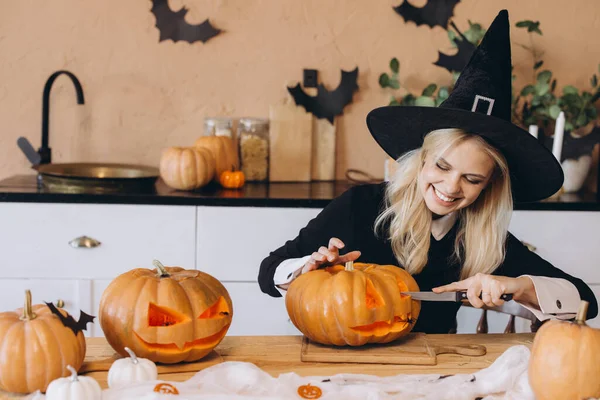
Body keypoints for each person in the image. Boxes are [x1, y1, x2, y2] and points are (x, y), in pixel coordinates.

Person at [257, 10, 598, 334]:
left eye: (472, 179)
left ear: (489, 185)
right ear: (421, 159)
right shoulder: (360, 206)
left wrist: (517, 286)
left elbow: (586, 300)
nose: (451, 187)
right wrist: (305, 270)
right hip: (349, 362)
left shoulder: (482, 238)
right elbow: (268, 272)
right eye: (442, 166)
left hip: (433, 371)